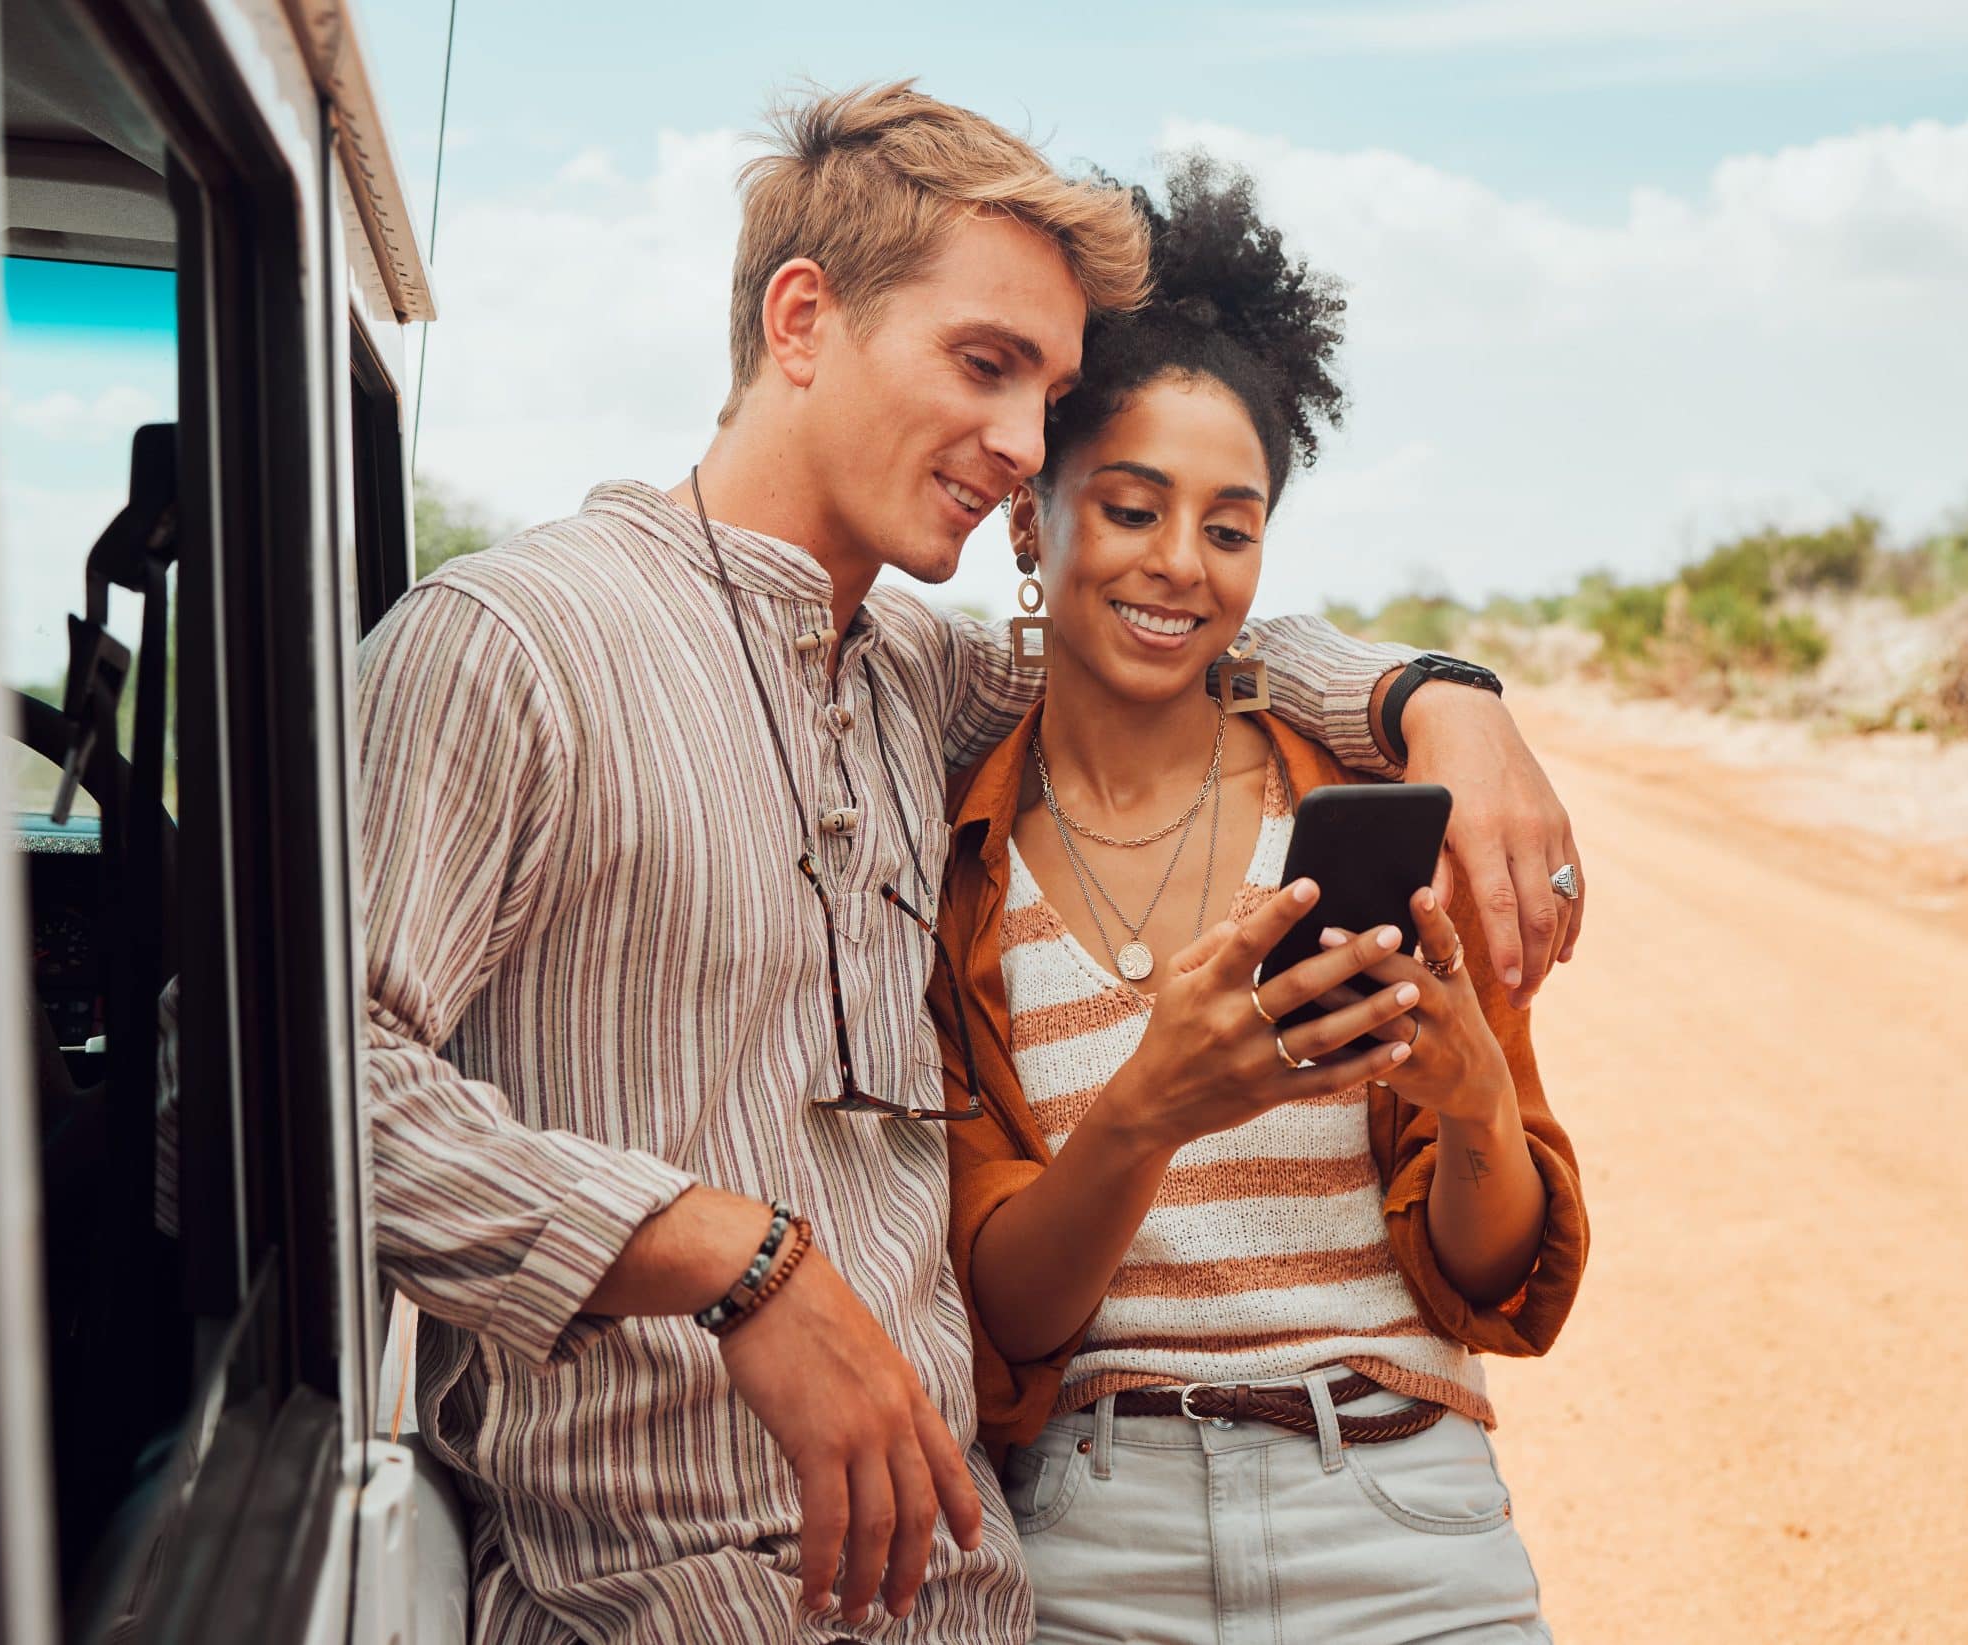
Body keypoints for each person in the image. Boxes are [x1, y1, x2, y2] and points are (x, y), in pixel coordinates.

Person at [359, 84, 1585, 1644]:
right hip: (663, 1597)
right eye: (987, 367)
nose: (1023, 447)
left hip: (969, 1594)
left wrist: (1441, 697)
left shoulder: (907, 677)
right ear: (800, 318)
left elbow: (1179, 644)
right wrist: (728, 1257)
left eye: (1049, 394)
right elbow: (275, 1084)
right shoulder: (512, 645)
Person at [934, 156, 1589, 1643]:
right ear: (1033, 520)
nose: (1181, 563)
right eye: (1131, 505)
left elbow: (1495, 1272)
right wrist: (1151, 1105)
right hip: (1098, 1544)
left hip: (1409, 1519)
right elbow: (1011, 1312)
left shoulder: (1356, 815)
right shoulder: (957, 857)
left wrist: (1480, 1104)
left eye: (1230, 526)